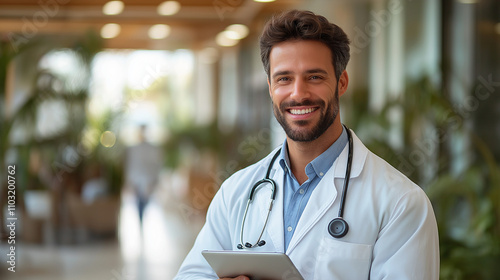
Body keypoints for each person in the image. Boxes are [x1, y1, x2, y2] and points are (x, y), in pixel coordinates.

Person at [174, 10, 439, 280]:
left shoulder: (401, 202)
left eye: (314, 77)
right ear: (270, 87)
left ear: (341, 83)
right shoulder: (236, 192)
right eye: (284, 79)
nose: (298, 94)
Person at [124, 124, 163, 227]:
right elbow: (130, 165)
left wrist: (155, 181)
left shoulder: (153, 148)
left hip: (148, 181)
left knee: (145, 203)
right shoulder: (133, 149)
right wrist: (129, 182)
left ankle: (142, 221)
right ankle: (140, 222)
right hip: (136, 181)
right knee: (138, 204)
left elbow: (156, 166)